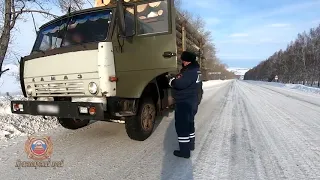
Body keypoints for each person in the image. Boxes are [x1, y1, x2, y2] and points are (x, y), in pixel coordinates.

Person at [168, 51, 201, 158]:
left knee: (182, 126)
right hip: (192, 101)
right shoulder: (196, 71)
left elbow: (179, 83)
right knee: (189, 123)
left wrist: (171, 80)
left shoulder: (190, 72)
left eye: (183, 60)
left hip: (185, 102)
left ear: (187, 61)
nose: (182, 62)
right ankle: (191, 145)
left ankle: (184, 151)